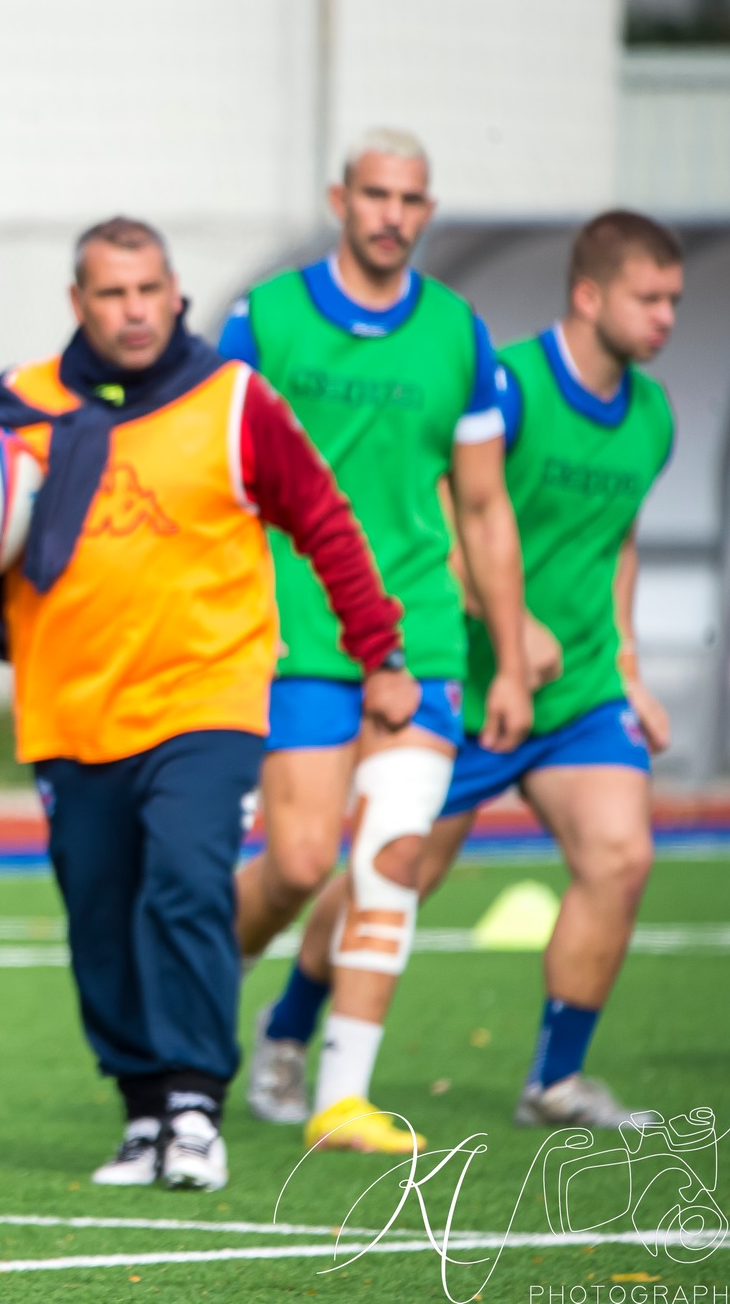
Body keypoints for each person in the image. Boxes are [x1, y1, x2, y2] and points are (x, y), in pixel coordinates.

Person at [0, 218, 410, 1193]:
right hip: (67, 706)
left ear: (174, 295)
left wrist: (379, 651)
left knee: (183, 882)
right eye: (110, 293)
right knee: (98, 911)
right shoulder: (17, 401)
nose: (132, 310)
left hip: (206, 695)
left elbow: (322, 519)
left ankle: (195, 1104)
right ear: (78, 303)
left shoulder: (232, 400)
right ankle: (140, 1112)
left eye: (147, 290)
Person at [265, 211, 682, 1129]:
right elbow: (453, 504)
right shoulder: (514, 383)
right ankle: (288, 1030)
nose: (665, 318)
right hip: (473, 681)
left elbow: (617, 546)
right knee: (398, 870)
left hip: (580, 695)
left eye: (674, 301)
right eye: (648, 298)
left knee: (623, 854)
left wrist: (629, 661)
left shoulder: (653, 416)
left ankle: (557, 1079)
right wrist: (512, 623)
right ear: (589, 294)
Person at [225, 127, 534, 1154]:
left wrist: (510, 644)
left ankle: (339, 1096)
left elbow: (484, 510)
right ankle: (196, 987)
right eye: (374, 194)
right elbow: (208, 469)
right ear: (338, 198)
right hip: (297, 633)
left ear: (425, 210)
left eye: (409, 197)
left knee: (392, 856)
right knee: (299, 860)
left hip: (422, 641)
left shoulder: (459, 333)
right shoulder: (262, 320)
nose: (391, 213)